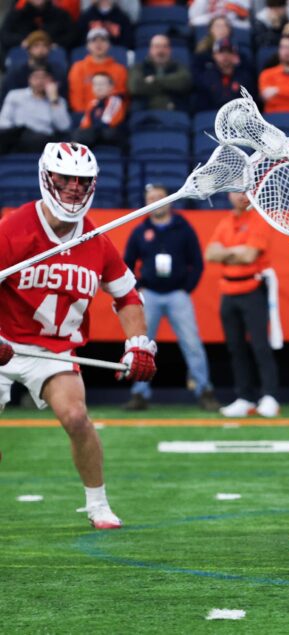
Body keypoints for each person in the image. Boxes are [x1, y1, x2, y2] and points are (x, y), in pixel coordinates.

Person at [0, 142, 157, 529]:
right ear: (46, 177)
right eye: (65, 178)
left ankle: (97, 504)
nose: (73, 187)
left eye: (82, 180)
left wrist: (137, 343)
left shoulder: (96, 239)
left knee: (76, 417)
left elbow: (127, 295)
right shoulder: (13, 229)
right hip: (3, 343)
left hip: (54, 350)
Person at [122, 184, 218, 412]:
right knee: (141, 346)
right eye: (151, 198)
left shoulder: (183, 227)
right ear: (147, 204)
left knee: (193, 345)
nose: (155, 201)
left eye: (159, 197)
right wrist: (138, 287)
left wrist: (187, 288)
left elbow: (197, 262)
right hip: (150, 295)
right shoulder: (140, 230)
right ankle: (139, 394)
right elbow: (126, 263)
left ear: (169, 200)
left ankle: (204, 391)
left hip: (177, 295)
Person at [205, 192, 280, 419]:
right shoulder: (226, 221)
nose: (240, 196)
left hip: (253, 289)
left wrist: (226, 252)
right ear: (229, 195)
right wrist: (235, 252)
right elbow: (210, 253)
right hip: (228, 291)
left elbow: (248, 256)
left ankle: (270, 396)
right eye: (236, 192)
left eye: (244, 191)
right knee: (235, 348)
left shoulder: (259, 219)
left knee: (260, 345)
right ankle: (245, 397)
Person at [0, 67, 71, 153]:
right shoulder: (15, 95)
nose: (40, 81)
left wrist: (54, 100)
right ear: (29, 79)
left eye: (44, 77)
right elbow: (3, 121)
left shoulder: (58, 101)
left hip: (41, 138)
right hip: (16, 135)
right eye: (36, 77)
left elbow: (64, 127)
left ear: (51, 80)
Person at [68, 27, 128, 114]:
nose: (98, 44)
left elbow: (121, 98)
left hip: (112, 117)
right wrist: (88, 117)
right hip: (84, 116)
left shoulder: (119, 70)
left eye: (103, 40)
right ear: (87, 46)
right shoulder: (78, 68)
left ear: (109, 45)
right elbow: (76, 97)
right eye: (94, 40)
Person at [128, 34, 192, 111]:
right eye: (157, 47)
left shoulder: (179, 67)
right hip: (145, 114)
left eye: (165, 47)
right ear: (150, 50)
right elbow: (135, 87)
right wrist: (170, 84)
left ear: (170, 50)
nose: (161, 51)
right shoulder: (138, 67)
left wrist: (154, 80)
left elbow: (184, 82)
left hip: (175, 114)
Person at [193, 38, 253, 112]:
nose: (225, 55)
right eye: (221, 52)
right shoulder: (206, 76)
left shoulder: (244, 76)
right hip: (211, 117)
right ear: (214, 55)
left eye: (229, 52)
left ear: (235, 55)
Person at [2, 30, 65, 99]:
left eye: (45, 46)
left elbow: (63, 100)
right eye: (36, 46)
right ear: (28, 49)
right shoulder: (16, 72)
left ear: (49, 49)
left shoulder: (57, 71)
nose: (41, 50)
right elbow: (6, 98)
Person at [0, 0, 76, 55]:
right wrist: (21, 41)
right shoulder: (16, 15)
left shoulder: (61, 15)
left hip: (52, 53)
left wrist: (57, 43)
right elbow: (5, 35)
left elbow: (72, 36)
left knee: (59, 55)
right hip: (24, 52)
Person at [71, 72, 125, 148]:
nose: (98, 87)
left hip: (110, 134)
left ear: (111, 87)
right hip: (94, 134)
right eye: (95, 84)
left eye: (102, 84)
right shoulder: (92, 103)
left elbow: (107, 122)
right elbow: (85, 124)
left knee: (107, 133)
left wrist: (88, 131)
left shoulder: (115, 100)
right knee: (77, 133)